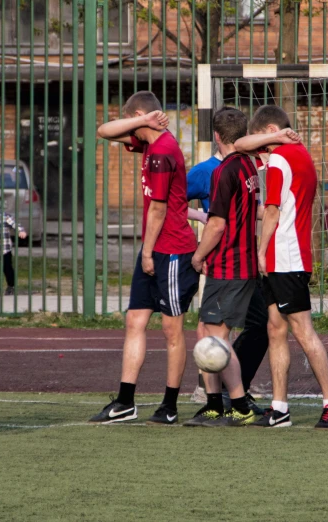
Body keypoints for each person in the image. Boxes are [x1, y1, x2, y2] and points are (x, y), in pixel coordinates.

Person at [89, 91, 198, 425]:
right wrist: (142, 121)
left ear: (139, 114)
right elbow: (104, 131)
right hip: (154, 248)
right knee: (135, 320)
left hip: (172, 250)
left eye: (133, 118)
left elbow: (160, 210)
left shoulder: (163, 150)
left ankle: (169, 406)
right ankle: (125, 401)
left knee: (171, 330)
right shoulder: (148, 142)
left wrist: (148, 252)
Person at [235, 105, 328, 429]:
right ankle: (279, 408)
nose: (260, 152)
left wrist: (260, 252)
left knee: (302, 330)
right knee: (275, 328)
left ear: (270, 132)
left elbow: (272, 211)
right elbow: (242, 145)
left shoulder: (282, 159)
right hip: (287, 255)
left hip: (286, 256)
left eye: (263, 144)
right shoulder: (301, 155)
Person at [182, 107, 263, 427]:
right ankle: (215, 404)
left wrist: (198, 255)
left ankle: (238, 405)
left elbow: (216, 225)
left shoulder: (224, 171)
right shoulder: (250, 165)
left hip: (228, 264)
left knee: (215, 338)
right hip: (240, 263)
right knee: (207, 333)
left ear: (217, 136)